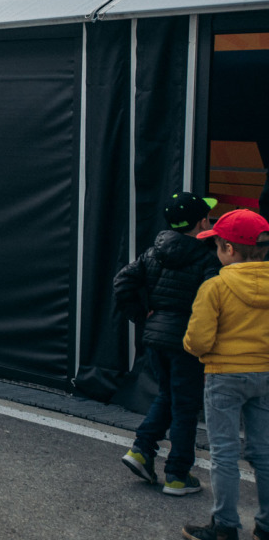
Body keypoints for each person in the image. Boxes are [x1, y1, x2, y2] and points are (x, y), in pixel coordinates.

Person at [114, 191, 220, 495]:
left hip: (156, 337)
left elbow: (122, 283)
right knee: (186, 407)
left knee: (168, 395)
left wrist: (143, 317)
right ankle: (177, 475)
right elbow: (214, 302)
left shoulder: (153, 252)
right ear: (202, 222)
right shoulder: (205, 258)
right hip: (187, 340)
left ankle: (141, 450)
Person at [182, 209, 269, 540]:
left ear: (229, 249)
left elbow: (198, 339)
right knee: (264, 451)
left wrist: (203, 353)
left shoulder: (216, 287)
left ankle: (225, 526)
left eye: (217, 246)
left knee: (225, 452)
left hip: (224, 375)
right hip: (265, 373)